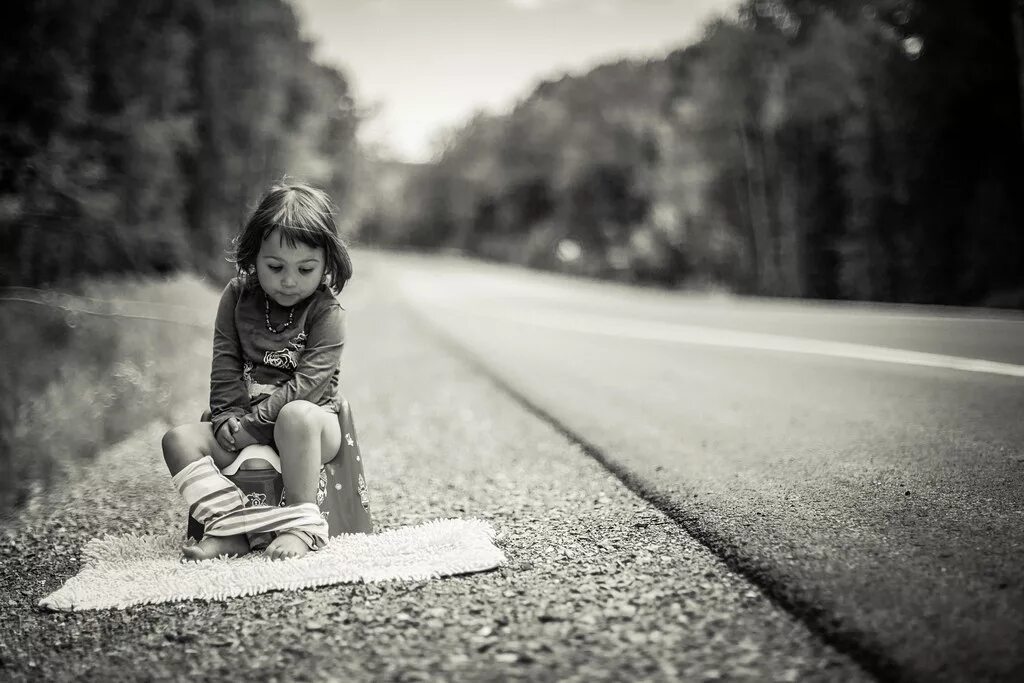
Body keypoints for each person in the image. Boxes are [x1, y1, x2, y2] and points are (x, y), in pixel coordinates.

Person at [162, 180, 353, 562]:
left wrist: (253, 424)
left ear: (327, 264)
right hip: (245, 422)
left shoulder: (326, 313)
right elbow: (226, 361)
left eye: (305, 268)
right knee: (177, 440)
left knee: (295, 416)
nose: (288, 280)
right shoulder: (237, 296)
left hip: (312, 428)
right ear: (254, 255)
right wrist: (229, 415)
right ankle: (229, 526)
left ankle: (301, 525)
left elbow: (309, 385)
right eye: (275, 266)